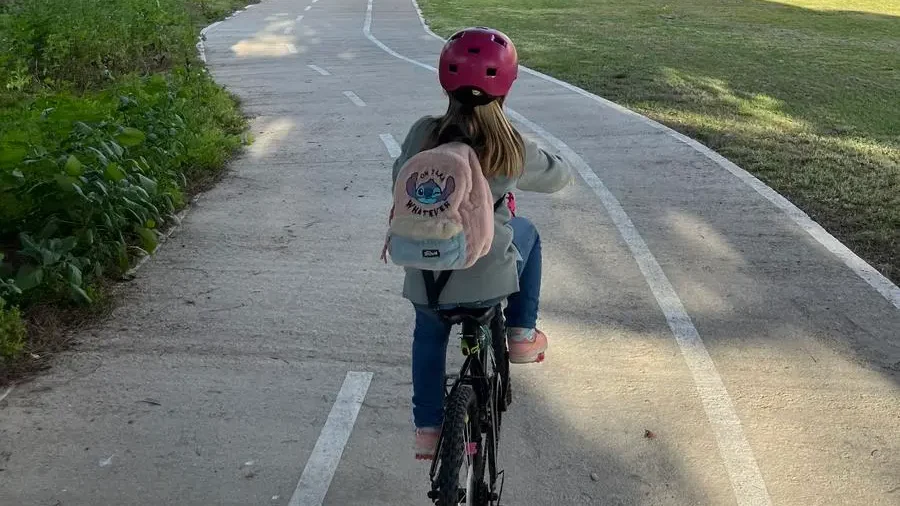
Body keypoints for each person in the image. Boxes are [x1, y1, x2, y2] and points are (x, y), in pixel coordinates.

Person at [390, 27, 574, 460]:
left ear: (444, 82)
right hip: (487, 278)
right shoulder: (509, 145)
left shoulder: (423, 134)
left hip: (427, 277)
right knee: (527, 232)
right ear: (507, 86)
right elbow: (559, 176)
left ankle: (429, 429)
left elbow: (399, 177)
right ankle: (522, 334)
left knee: (429, 334)